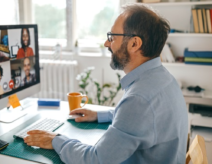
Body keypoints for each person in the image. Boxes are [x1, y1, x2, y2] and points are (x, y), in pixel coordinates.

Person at [24, 4, 188, 164]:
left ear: (134, 44)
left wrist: (56, 140)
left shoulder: (139, 99)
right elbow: (140, 119)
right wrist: (99, 115)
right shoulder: (163, 79)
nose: (107, 43)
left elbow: (95, 159)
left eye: (112, 37)